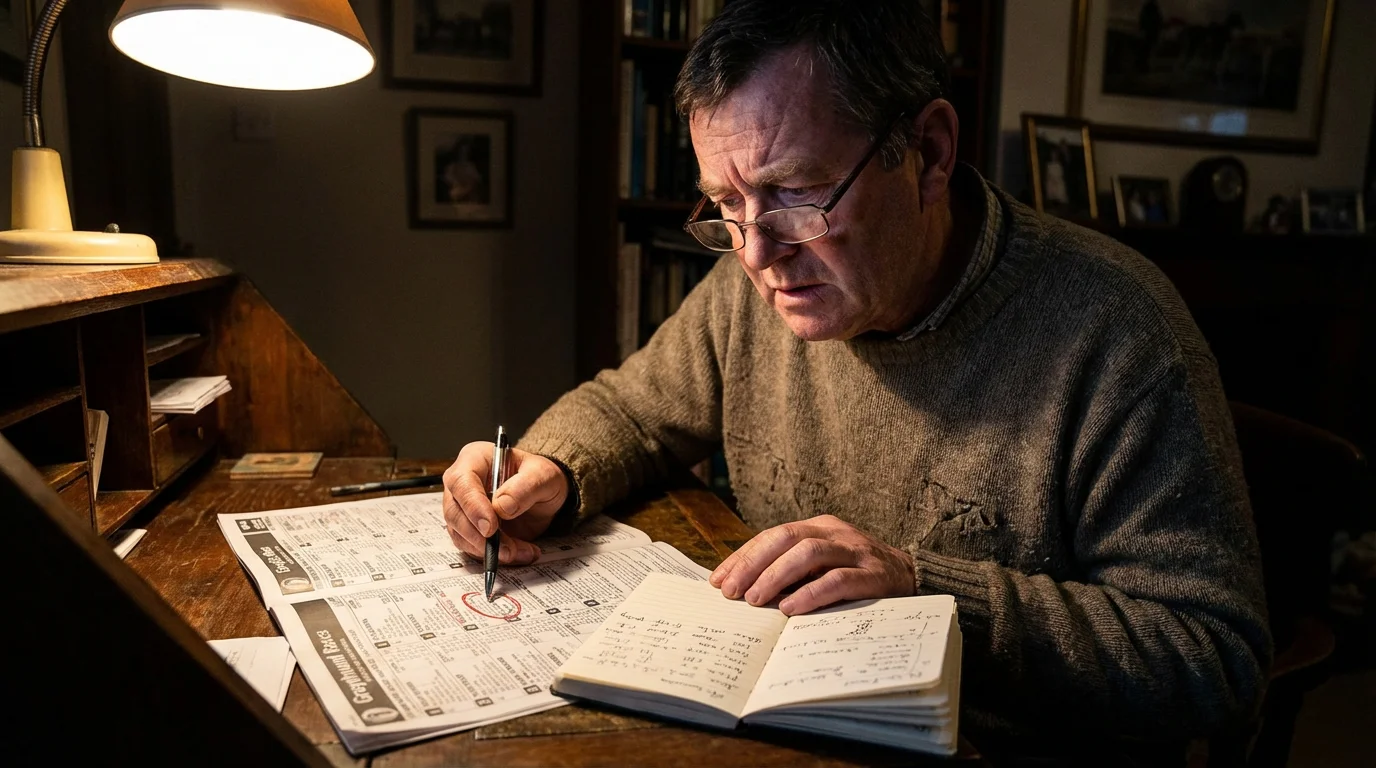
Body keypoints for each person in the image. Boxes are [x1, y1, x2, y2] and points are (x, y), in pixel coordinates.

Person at [442, 1, 1270, 762]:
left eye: (796, 194)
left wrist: (923, 589)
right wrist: (548, 469)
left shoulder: (1114, 328)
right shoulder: (754, 283)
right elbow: (633, 406)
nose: (758, 255)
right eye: (724, 205)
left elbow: (1212, 659)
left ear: (930, 153)